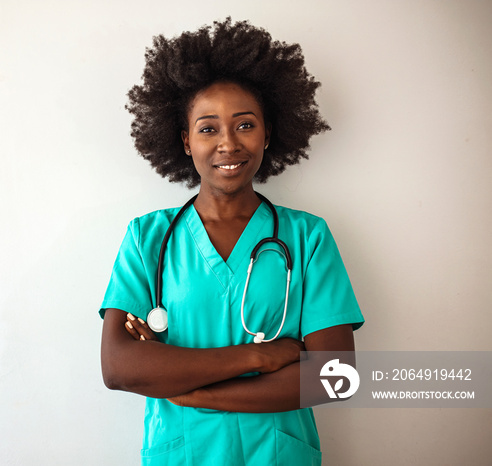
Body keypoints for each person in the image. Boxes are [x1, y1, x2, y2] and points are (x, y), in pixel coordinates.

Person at [99, 18, 364, 465]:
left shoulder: (307, 237)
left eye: (245, 125)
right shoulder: (147, 238)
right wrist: (261, 357)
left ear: (268, 134)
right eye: (207, 128)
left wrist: (192, 387)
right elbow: (119, 368)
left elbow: (334, 377)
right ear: (184, 141)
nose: (228, 144)